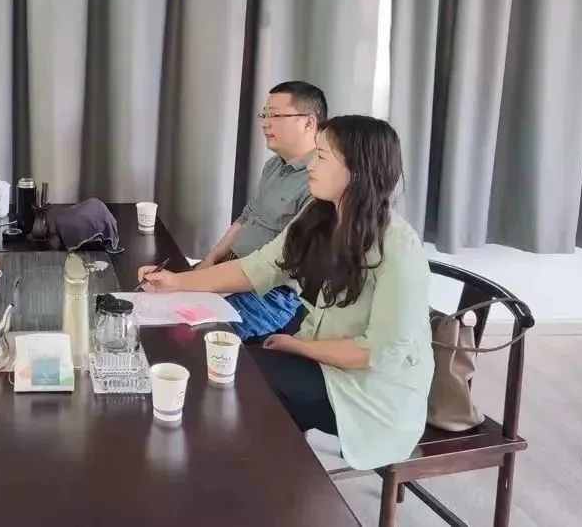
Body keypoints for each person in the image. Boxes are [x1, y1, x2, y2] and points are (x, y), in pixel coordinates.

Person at [138, 115, 432, 470]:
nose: (312, 165)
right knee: (231, 366)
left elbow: (378, 354)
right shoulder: (319, 214)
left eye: (322, 156)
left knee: (245, 380)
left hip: (370, 393)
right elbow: (256, 267)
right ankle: (245, 470)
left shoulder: (398, 248)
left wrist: (297, 346)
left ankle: (258, 478)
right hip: (323, 364)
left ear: (358, 171)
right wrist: (175, 281)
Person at [196, 81, 327, 340]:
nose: (265, 124)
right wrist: (210, 260)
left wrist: (211, 279)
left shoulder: (318, 180)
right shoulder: (273, 166)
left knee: (197, 333)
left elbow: (277, 267)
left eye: (275, 116)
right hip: (230, 268)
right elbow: (247, 216)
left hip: (268, 293)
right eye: (264, 115)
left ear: (309, 122)